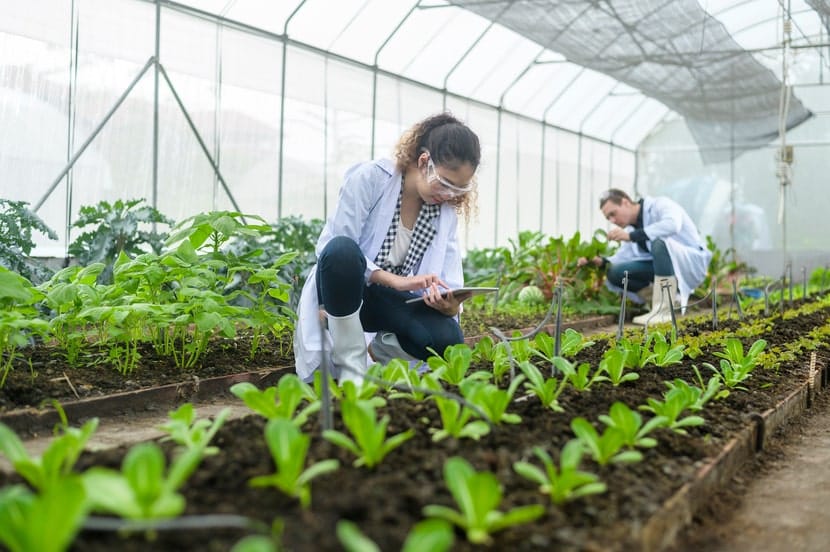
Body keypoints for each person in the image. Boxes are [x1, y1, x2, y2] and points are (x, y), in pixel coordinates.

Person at [293, 113, 481, 385]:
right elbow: (331, 248)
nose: (449, 195)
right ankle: (352, 366)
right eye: (444, 183)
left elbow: (449, 279)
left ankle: (378, 351)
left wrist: (449, 306)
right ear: (424, 161)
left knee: (447, 339)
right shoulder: (371, 178)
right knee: (342, 252)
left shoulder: (443, 211)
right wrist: (395, 280)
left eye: (458, 189)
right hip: (345, 291)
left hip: (389, 301)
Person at [577, 188, 711, 325]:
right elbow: (623, 257)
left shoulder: (660, 205)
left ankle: (663, 311)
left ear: (625, 202)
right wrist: (600, 261)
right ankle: (667, 302)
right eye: (608, 218)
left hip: (690, 263)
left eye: (613, 214)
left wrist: (631, 236)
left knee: (660, 243)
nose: (612, 220)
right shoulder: (631, 229)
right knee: (616, 272)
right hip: (666, 268)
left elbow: (673, 225)